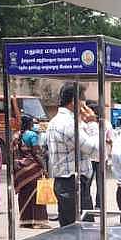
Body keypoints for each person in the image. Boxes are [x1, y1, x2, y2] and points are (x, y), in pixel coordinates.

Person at [46, 83, 99, 227]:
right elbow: (95, 149)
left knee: (70, 229)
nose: (85, 104)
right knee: (83, 231)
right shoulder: (68, 124)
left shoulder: (57, 121)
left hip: (67, 183)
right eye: (84, 99)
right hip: (73, 184)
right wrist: (93, 123)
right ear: (75, 101)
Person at [13, 115, 48, 228]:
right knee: (35, 194)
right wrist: (44, 167)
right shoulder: (32, 135)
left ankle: (25, 221)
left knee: (24, 194)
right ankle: (37, 222)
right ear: (29, 124)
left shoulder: (16, 135)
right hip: (32, 169)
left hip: (20, 170)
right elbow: (36, 153)